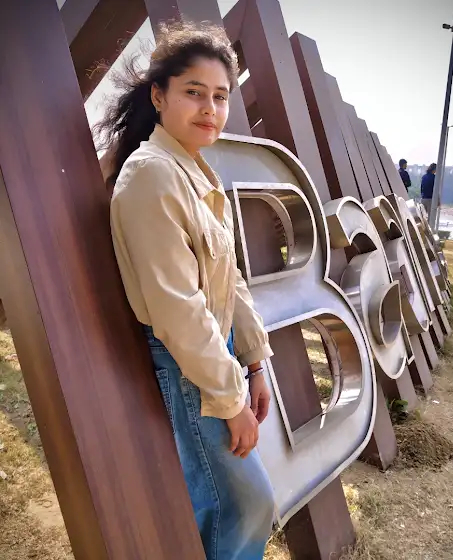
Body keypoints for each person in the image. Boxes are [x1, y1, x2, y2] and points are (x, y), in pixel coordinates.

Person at [97, 21, 275, 559]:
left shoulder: (193, 171)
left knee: (231, 509)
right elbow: (178, 310)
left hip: (211, 356)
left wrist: (255, 361)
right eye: (194, 92)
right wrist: (230, 397)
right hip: (187, 367)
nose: (209, 109)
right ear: (159, 96)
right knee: (244, 507)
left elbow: (229, 277)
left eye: (220, 96)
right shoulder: (153, 175)